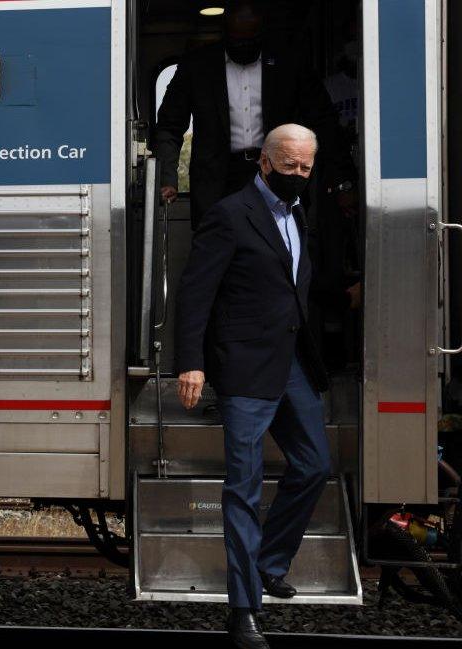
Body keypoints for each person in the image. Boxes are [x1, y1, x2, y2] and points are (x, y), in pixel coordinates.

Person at [174, 124, 332, 649]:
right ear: (264, 162)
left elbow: (291, 285)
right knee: (243, 489)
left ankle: (268, 563)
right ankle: (243, 611)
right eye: (290, 166)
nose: (299, 177)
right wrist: (191, 363)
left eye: (307, 168)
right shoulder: (228, 215)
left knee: (314, 466)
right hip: (242, 370)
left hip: (291, 365)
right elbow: (195, 294)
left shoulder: (298, 214)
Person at [154, 0, 355, 229]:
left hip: (275, 177)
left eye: (250, 40)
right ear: (225, 31)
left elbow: (323, 121)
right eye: (238, 40)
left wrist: (343, 180)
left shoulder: (289, 63)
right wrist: (166, 178)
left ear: (262, 32)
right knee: (219, 255)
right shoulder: (198, 66)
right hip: (217, 181)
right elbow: (170, 125)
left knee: (275, 256)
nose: (244, 46)